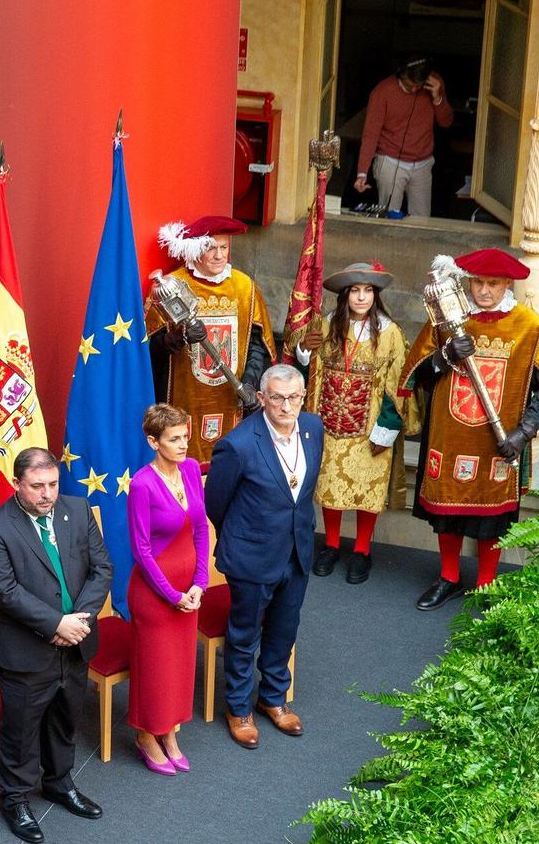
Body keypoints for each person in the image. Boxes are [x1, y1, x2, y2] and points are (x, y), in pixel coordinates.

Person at [397, 247, 539, 610]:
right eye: (477, 282)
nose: (484, 291)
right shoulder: (447, 320)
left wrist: (523, 434)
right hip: (449, 433)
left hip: (500, 442)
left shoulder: (528, 326)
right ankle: (448, 577)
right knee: (447, 512)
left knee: (492, 517)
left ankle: (487, 585)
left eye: (493, 283)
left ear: (507, 283)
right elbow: (416, 375)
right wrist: (445, 356)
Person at [0, 447, 111, 844]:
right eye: (37, 487)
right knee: (21, 729)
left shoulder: (77, 509)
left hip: (76, 641)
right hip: (24, 650)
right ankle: (15, 799)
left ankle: (58, 782)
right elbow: (5, 592)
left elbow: (102, 568)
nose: (47, 494)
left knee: (66, 717)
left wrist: (78, 623)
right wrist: (55, 624)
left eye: (52, 484)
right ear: (17, 485)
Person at [203, 364, 322, 749]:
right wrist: (242, 538)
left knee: (285, 628)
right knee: (245, 633)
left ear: (303, 397)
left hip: (296, 549)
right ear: (261, 398)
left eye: (294, 398)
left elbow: (303, 492)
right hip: (252, 554)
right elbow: (215, 503)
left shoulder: (314, 429)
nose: (286, 406)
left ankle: (274, 698)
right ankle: (238, 708)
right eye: (277, 398)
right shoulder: (238, 444)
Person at [291, 262, 411, 584]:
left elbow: (397, 383)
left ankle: (361, 550)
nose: (361, 297)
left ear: (376, 295)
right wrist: (304, 351)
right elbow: (304, 368)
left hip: (369, 424)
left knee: (366, 487)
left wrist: (386, 428)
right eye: (355, 291)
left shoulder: (389, 333)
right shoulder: (326, 325)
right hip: (329, 421)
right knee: (331, 486)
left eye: (368, 291)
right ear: (344, 295)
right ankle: (330, 545)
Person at [125, 404, 210, 775]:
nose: (182, 446)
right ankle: (147, 735)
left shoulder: (191, 471)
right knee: (156, 667)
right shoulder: (142, 484)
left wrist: (200, 584)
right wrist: (172, 596)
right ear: (153, 442)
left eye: (184, 438)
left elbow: (201, 529)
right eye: (173, 440)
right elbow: (141, 550)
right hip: (155, 596)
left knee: (180, 665)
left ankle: (170, 733)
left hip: (189, 590)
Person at [149, 215, 273, 466]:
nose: (219, 256)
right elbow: (150, 349)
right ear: (195, 251)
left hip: (230, 402)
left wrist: (249, 382)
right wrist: (179, 337)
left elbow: (258, 345)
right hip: (183, 402)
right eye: (211, 248)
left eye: (224, 248)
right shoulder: (172, 286)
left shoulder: (245, 288)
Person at [354, 57, 455, 217]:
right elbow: (370, 134)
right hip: (390, 161)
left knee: (422, 220)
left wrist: (437, 98)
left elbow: (446, 122)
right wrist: (362, 173)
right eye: (409, 85)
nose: (414, 90)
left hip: (423, 163)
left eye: (418, 86)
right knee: (389, 217)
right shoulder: (382, 91)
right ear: (400, 74)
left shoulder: (435, 84)